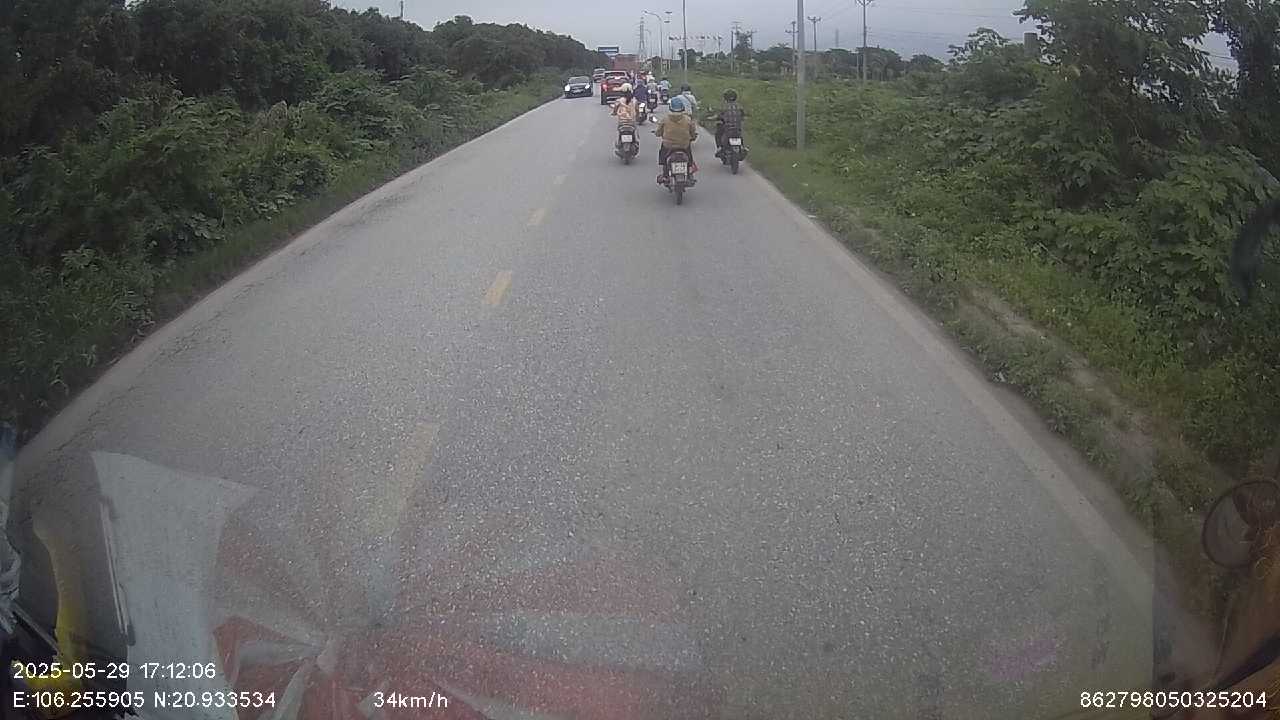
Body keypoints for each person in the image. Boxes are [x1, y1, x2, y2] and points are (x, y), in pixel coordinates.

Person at [654, 95, 697, 182]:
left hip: (668, 145)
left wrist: (658, 134)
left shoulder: (665, 119)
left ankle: (665, 175)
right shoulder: (688, 119)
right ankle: (689, 172)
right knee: (689, 156)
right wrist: (693, 137)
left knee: (663, 155)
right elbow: (692, 132)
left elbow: (658, 132)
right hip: (684, 145)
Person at [714, 88, 746, 158]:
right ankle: (742, 147)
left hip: (727, 129)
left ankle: (719, 147)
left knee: (718, 133)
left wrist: (715, 118)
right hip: (737, 129)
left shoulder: (723, 107)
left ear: (725, 97)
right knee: (740, 133)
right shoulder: (739, 106)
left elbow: (718, 116)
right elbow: (743, 115)